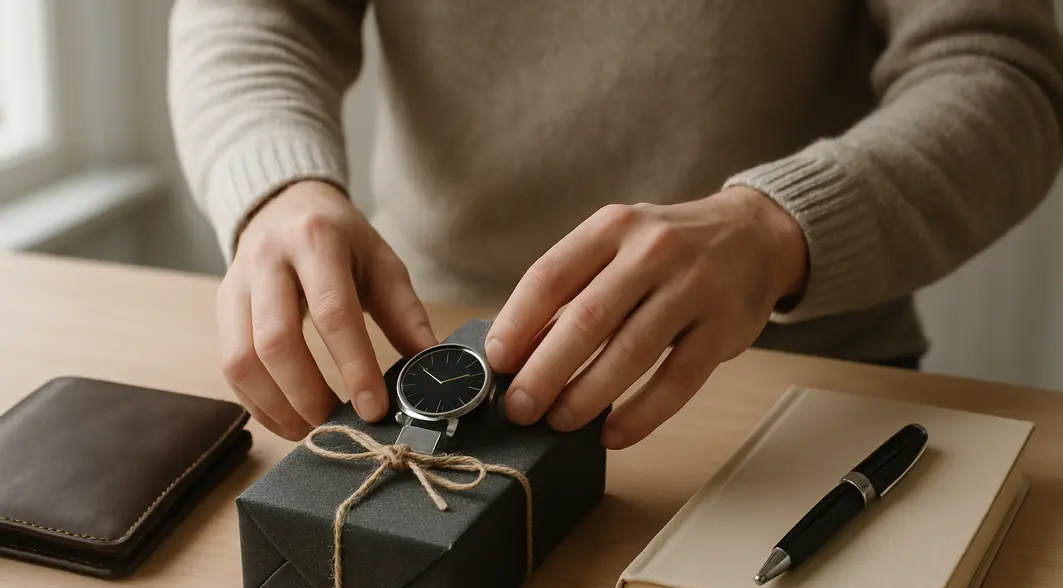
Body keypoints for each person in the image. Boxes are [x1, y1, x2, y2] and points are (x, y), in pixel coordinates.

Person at [167, 0, 1063, 449]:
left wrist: (774, 228)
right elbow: (252, 15)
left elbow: (1000, 71)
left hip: (798, 383)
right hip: (424, 340)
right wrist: (276, 185)